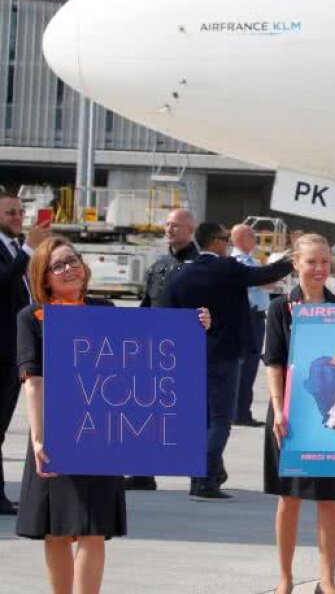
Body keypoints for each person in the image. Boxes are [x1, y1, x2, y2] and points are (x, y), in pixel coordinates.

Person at [15, 237, 209, 593]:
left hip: (101, 428)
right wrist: (40, 437)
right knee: (56, 530)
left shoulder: (104, 308)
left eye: (73, 260)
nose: (69, 268)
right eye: (58, 265)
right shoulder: (32, 318)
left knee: (93, 528)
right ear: (44, 277)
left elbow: (148, 343)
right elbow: (34, 383)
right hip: (54, 432)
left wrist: (193, 326)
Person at [167, 221, 294, 502]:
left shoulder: (182, 275)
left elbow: (167, 312)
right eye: (226, 239)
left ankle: (199, 477)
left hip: (189, 356)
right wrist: (291, 261)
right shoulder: (227, 268)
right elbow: (264, 274)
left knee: (200, 421)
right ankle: (205, 480)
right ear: (214, 242)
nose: (229, 245)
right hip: (224, 354)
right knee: (221, 419)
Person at [263, 233, 335, 594]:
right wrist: (280, 409)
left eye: (325, 261)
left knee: (329, 498)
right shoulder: (280, 308)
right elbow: (273, 362)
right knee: (290, 498)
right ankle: (285, 579)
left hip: (331, 415)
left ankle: (327, 579)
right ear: (296, 264)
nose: (319, 269)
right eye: (312, 261)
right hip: (289, 412)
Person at [126, 207, 200, 491]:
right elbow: (147, 305)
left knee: (192, 416)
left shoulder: (201, 265)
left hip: (187, 352)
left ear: (190, 230)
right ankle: (143, 472)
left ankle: (205, 475)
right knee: (147, 414)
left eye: (176, 225)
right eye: (168, 225)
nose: (170, 229)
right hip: (155, 352)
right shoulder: (158, 265)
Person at [0, 192, 50, 516]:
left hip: (15, 351)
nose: (18, 217)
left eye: (20, 212)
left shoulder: (17, 249)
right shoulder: (18, 250)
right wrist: (31, 248)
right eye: (9, 213)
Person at [232, 223, 271, 428]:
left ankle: (239, 411)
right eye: (251, 236)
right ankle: (240, 413)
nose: (255, 240)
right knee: (247, 367)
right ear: (240, 238)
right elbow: (263, 283)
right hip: (250, 317)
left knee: (246, 366)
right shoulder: (242, 261)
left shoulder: (245, 260)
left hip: (251, 316)